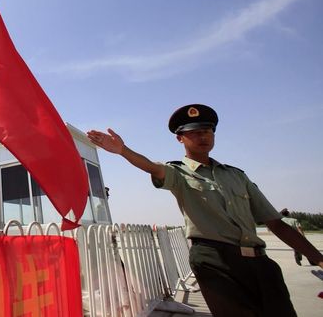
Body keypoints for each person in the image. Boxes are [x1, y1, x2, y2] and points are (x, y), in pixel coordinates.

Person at [87, 103, 323, 317]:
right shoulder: (178, 173)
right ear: (180, 138)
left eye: (207, 131)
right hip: (215, 261)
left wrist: (320, 260)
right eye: (195, 132)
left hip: (260, 263)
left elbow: (275, 222)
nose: (203, 136)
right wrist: (123, 150)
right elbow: (152, 168)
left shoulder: (236, 176)